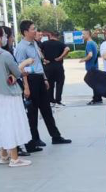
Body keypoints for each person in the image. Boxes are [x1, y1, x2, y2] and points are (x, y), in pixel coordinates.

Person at [0, 25, 32, 167]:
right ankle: (14, 158)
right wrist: (25, 63)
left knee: (1, 123)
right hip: (10, 93)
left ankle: (3, 155)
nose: (6, 37)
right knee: (11, 123)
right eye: (4, 35)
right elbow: (18, 72)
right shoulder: (4, 54)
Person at [15, 20, 70, 149]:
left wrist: (45, 78)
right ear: (25, 32)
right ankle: (33, 140)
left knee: (46, 109)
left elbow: (39, 63)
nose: (36, 31)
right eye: (33, 29)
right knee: (32, 112)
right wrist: (26, 87)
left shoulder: (35, 43)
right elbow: (21, 69)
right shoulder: (21, 48)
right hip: (30, 80)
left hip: (40, 78)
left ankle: (55, 136)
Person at [40, 29, 70, 105]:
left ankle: (51, 100)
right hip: (58, 66)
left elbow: (38, 50)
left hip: (48, 66)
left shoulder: (45, 43)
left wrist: (43, 59)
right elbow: (67, 49)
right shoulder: (60, 44)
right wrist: (60, 57)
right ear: (58, 36)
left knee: (50, 83)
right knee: (59, 83)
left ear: (50, 35)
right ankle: (58, 100)